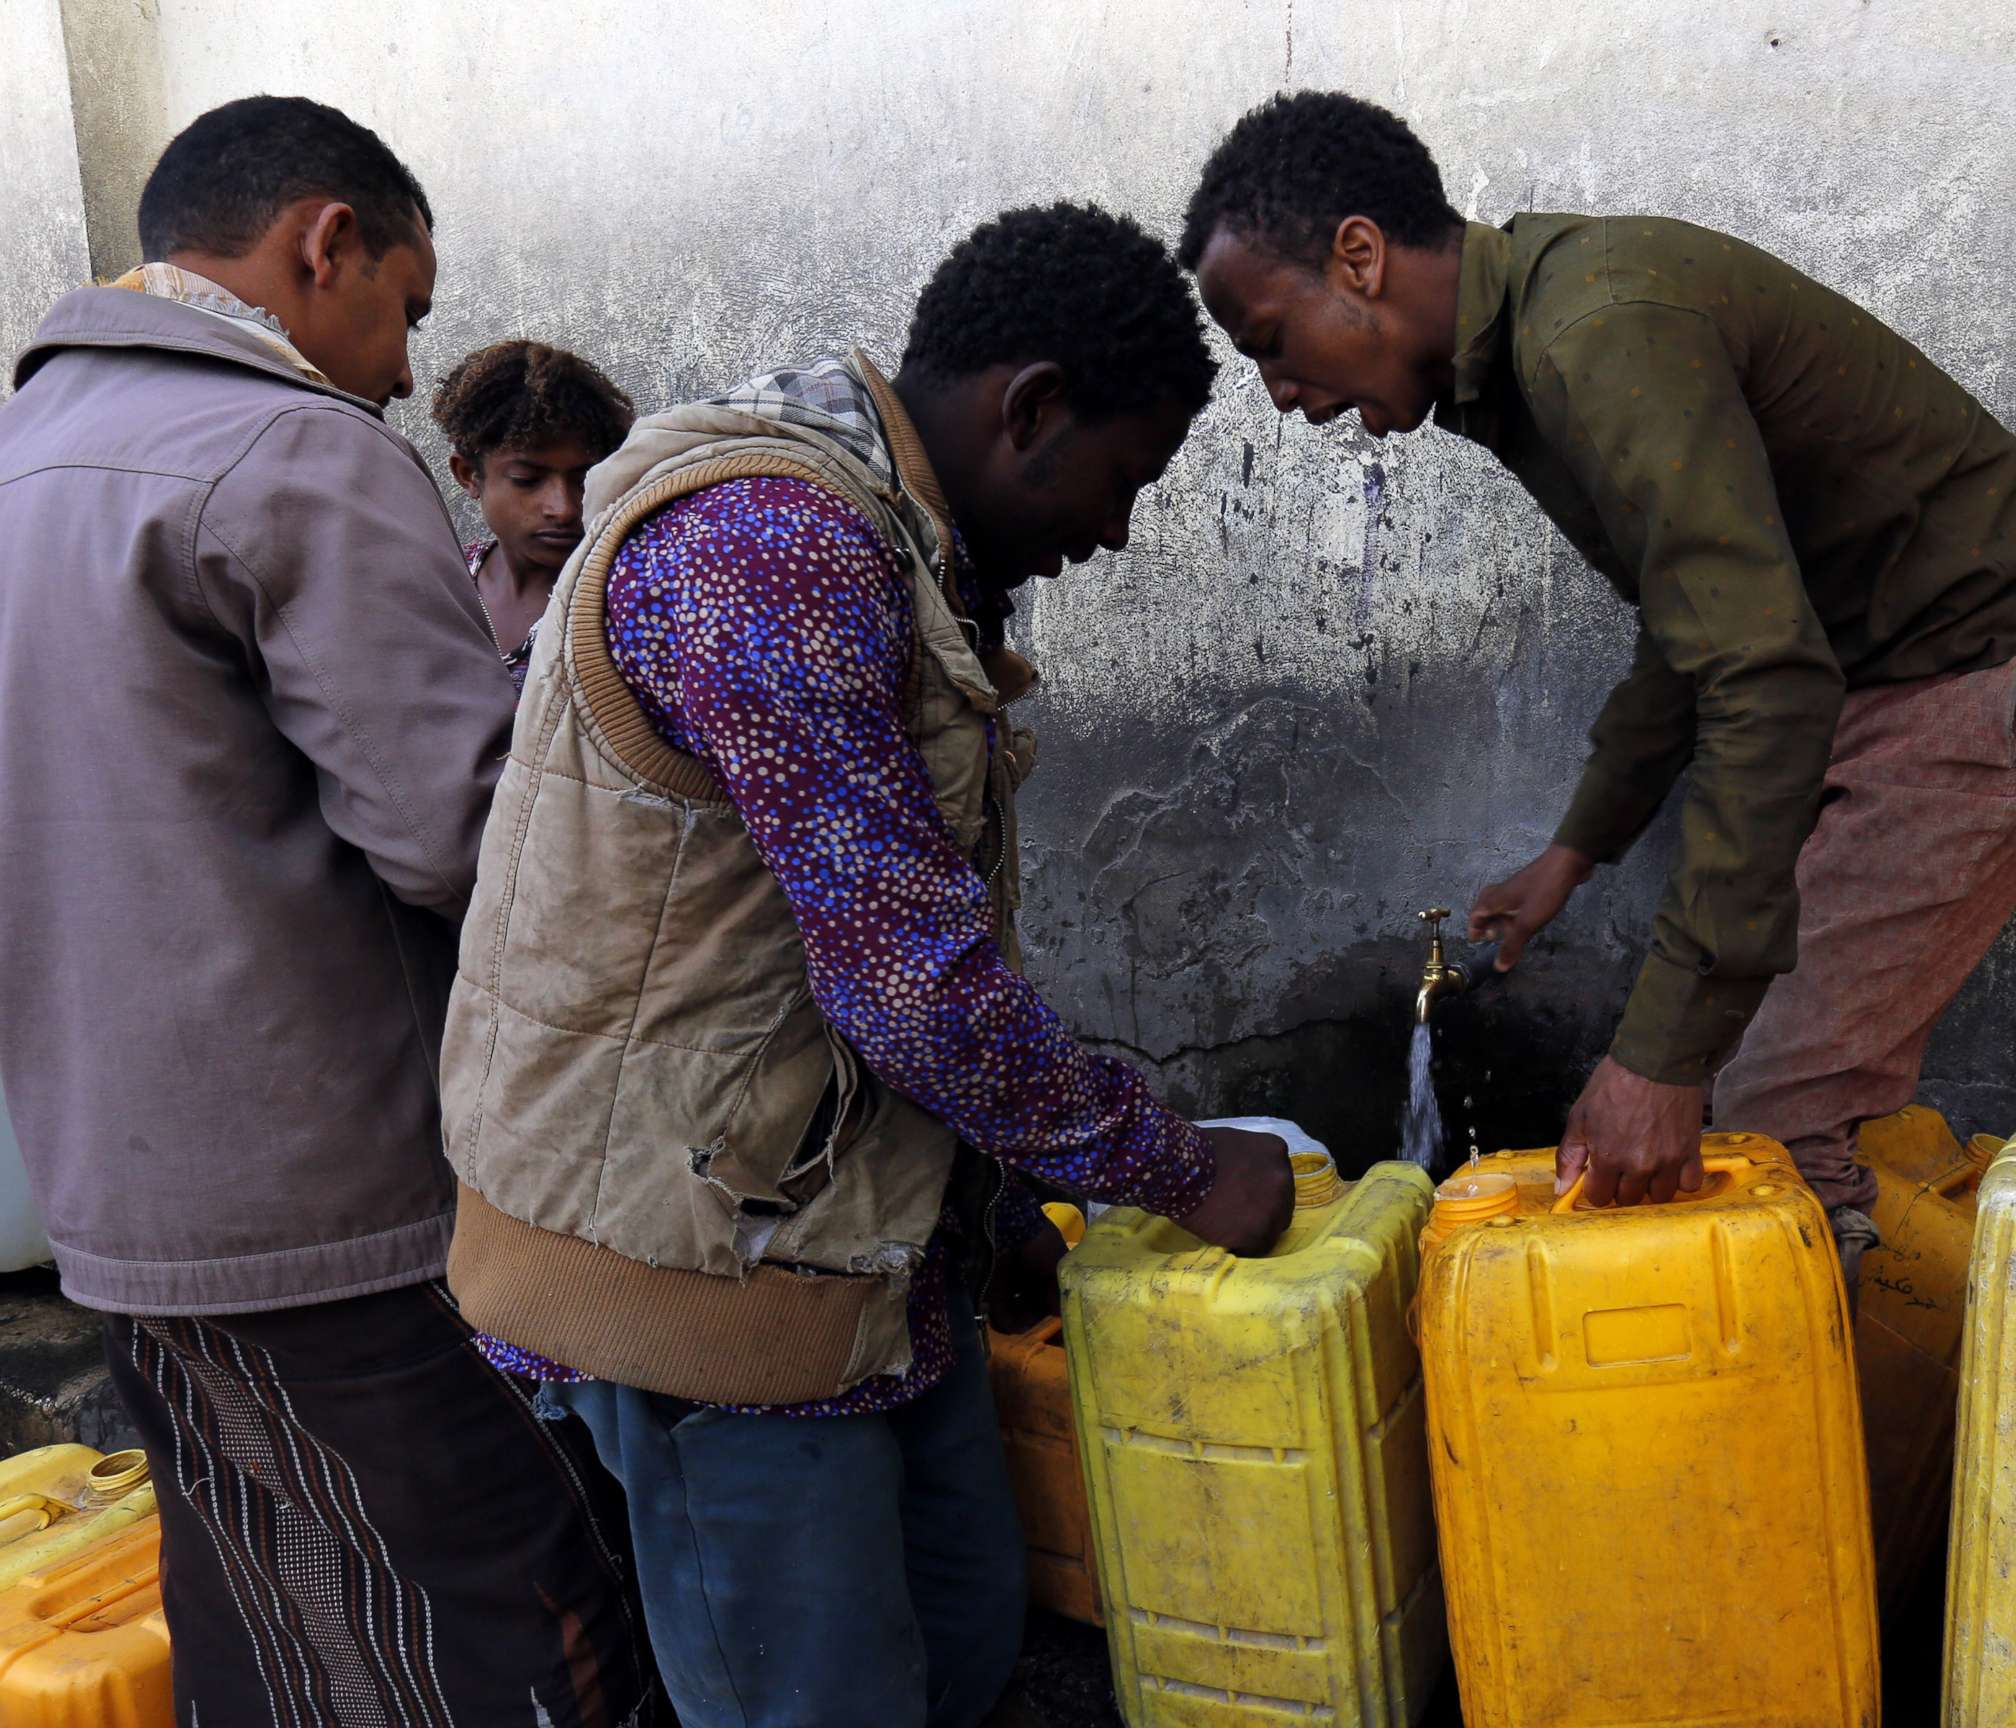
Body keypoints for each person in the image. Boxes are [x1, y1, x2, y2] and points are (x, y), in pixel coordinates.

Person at [440, 200, 1297, 1728]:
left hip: (852, 1245)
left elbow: (866, 935)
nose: (1116, 532)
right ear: (1029, 408)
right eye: (1122, 480)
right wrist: (1170, 1165)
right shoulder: (770, 553)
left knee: (965, 1646)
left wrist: (991, 1200)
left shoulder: (895, 542)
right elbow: (908, 983)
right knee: (818, 1699)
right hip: (697, 1271)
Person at [1181, 92, 2016, 1274]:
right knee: (1738, 1089)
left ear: (1358, 258)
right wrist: (1575, 853)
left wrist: (1657, 1061)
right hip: (1875, 669)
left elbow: (1762, 676)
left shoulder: (1593, 334)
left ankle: (1839, 1435)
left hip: (1978, 664)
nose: (1278, 391)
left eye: (1271, 340)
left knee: (1767, 1106)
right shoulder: (1524, 355)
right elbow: (1696, 624)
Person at [0, 96, 661, 1723]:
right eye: (407, 307)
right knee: (528, 1596)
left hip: (109, 1188)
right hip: (315, 1189)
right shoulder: (295, 448)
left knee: (262, 1590)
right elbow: (465, 833)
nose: (394, 361)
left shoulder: (24, 460)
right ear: (327, 243)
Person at [429, 338, 636, 694]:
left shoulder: (624, 603)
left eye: (585, 480)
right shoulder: (442, 587)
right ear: (467, 475)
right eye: (528, 480)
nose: (564, 508)